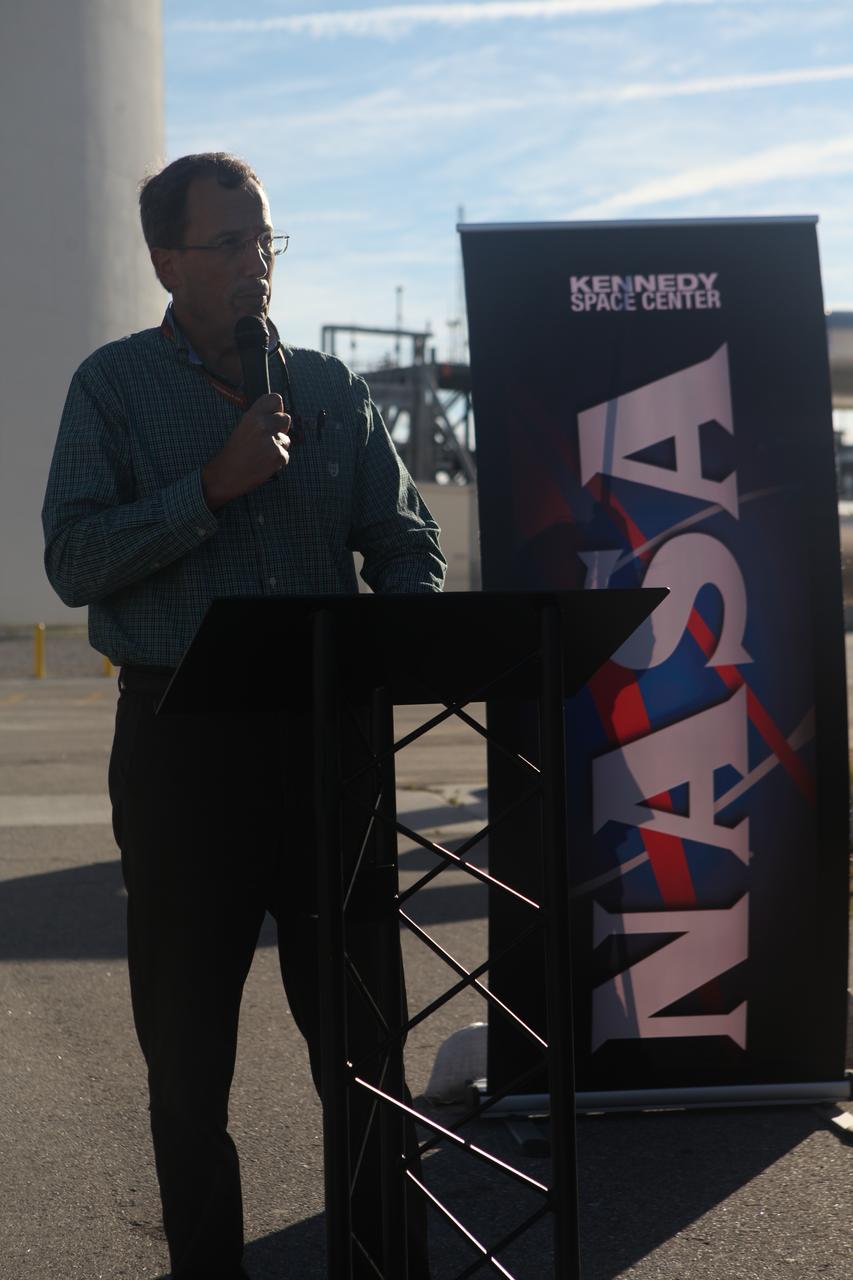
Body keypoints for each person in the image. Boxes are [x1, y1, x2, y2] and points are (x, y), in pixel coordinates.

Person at [42, 152, 444, 1280]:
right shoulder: (113, 390)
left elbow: (405, 536)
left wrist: (404, 619)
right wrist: (207, 489)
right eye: (227, 244)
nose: (253, 264)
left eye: (265, 240)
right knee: (187, 1058)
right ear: (166, 260)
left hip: (332, 746)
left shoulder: (330, 390)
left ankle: (384, 1261)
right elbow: (72, 558)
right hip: (185, 749)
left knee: (367, 1045)